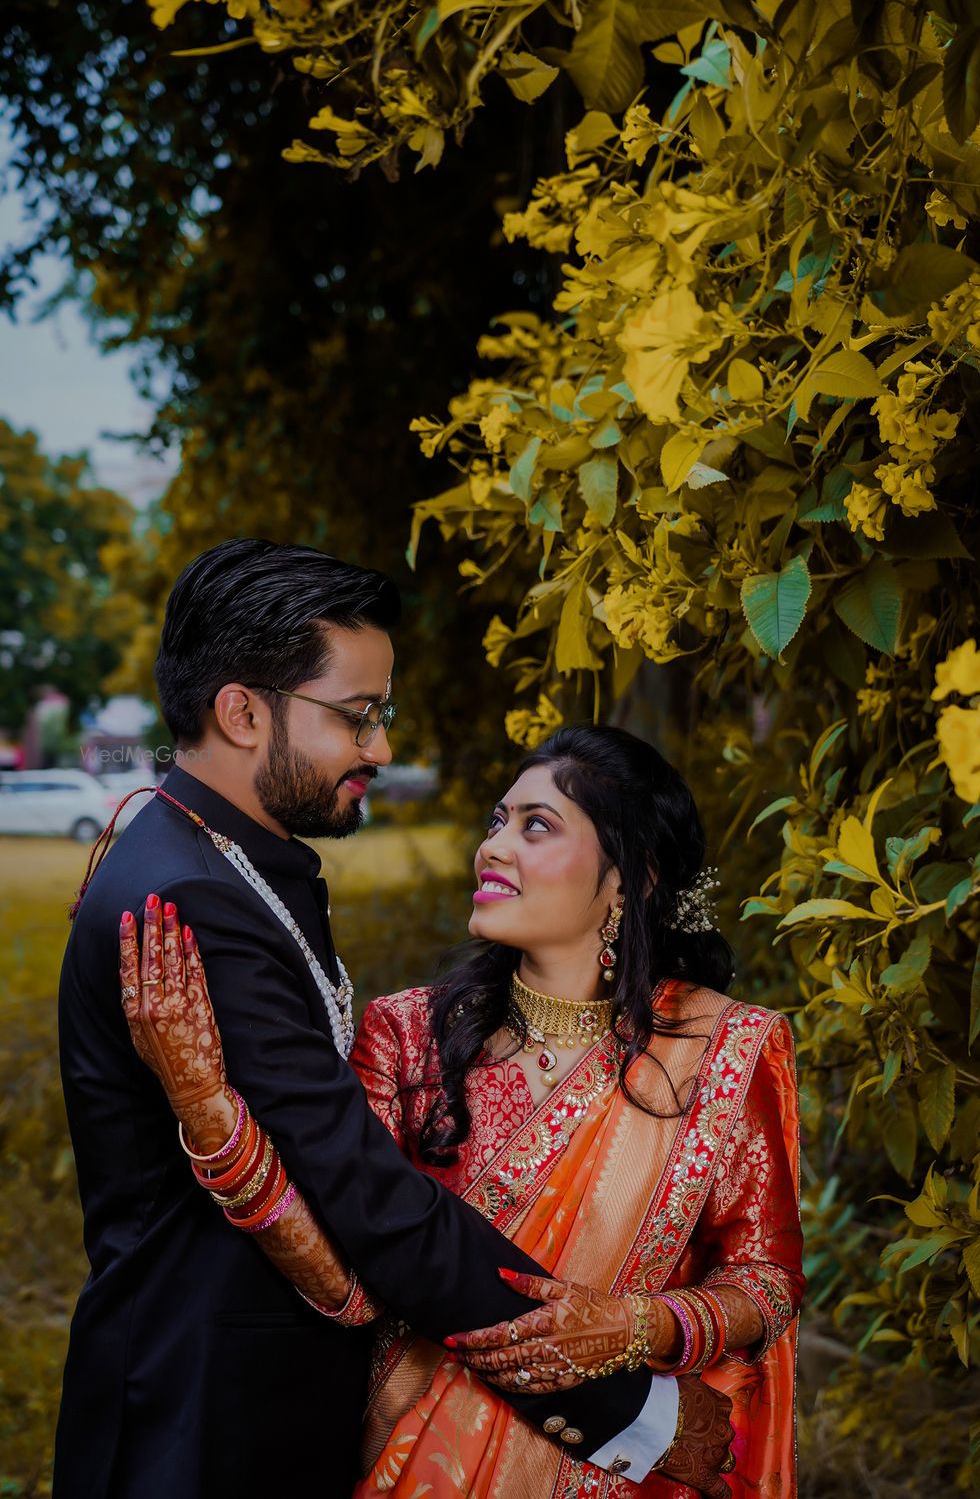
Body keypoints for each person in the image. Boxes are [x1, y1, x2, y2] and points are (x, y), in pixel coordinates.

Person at [55, 539, 729, 1499]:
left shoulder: (229, 861)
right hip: (200, 1412)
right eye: (357, 716)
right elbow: (366, 1196)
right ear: (243, 711)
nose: (380, 747)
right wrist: (632, 1407)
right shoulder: (189, 903)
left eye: (384, 715)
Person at [118, 719, 804, 1497]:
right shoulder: (406, 1033)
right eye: (496, 822)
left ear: (631, 878)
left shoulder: (727, 1050)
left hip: (617, 1472)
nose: (494, 847)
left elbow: (766, 1278)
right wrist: (208, 1110)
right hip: (413, 1456)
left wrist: (633, 1326)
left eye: (536, 826)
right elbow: (348, 1284)